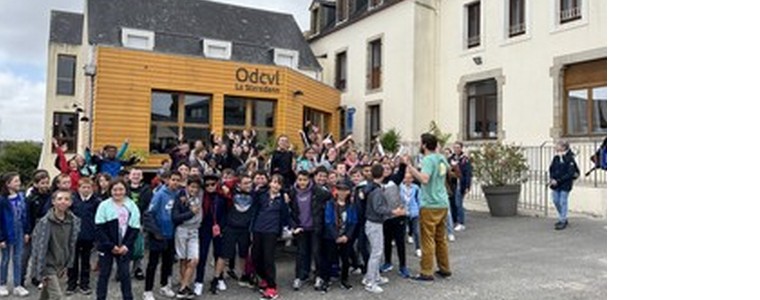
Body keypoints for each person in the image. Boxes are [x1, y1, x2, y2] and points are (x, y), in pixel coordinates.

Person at [405, 133, 453, 282]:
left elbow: (424, 179)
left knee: (427, 239)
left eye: (421, 143)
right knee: (441, 238)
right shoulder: (441, 158)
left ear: (424, 145)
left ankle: (426, 272)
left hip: (430, 204)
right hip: (443, 203)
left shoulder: (427, 159)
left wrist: (411, 168)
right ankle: (444, 268)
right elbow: (447, 171)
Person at [29, 190, 81, 300]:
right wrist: (39, 271)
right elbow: (38, 248)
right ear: (53, 201)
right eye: (59, 199)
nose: (63, 202)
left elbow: (71, 244)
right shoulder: (44, 223)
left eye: (66, 199)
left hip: (60, 263)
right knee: (57, 296)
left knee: (46, 294)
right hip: (47, 265)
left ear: (71, 202)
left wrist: (67, 263)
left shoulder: (73, 221)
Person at [362, 164, 405, 293]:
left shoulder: (372, 187)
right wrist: (394, 212)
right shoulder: (376, 190)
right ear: (382, 174)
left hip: (374, 223)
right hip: (374, 223)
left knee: (377, 251)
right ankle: (370, 281)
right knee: (376, 253)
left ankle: (375, 276)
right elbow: (378, 208)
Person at [94, 179, 141, 300]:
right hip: (107, 246)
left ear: (125, 190)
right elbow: (99, 228)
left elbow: (135, 228)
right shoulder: (104, 205)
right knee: (104, 275)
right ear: (110, 191)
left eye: (121, 189)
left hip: (124, 247)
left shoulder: (131, 205)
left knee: (125, 275)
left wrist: (126, 246)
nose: (118, 192)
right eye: (115, 189)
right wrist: (111, 246)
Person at [249, 174, 292, 299]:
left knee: (268, 258)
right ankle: (265, 278)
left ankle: (272, 287)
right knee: (255, 257)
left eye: (279, 183)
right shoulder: (261, 195)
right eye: (274, 182)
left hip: (271, 231)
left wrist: (292, 227)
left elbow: (286, 216)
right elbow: (253, 201)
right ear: (269, 183)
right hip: (258, 229)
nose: (275, 185)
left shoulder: (282, 199)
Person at [288, 171, 331, 291]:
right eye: (300, 179)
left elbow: (330, 196)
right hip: (300, 227)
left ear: (309, 180)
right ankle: (301, 276)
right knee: (301, 253)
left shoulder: (317, 191)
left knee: (316, 252)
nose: (302, 182)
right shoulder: (292, 192)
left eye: (305, 180)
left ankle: (318, 276)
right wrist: (294, 225)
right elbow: (290, 211)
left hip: (315, 227)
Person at [144, 172, 182, 300]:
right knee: (153, 263)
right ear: (168, 180)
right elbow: (149, 214)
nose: (175, 182)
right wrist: (156, 232)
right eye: (173, 179)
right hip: (158, 234)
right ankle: (147, 290)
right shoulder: (159, 194)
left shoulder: (178, 195)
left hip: (171, 234)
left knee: (168, 262)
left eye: (178, 180)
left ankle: (164, 285)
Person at [319, 179, 357, 293]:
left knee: (345, 259)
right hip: (331, 237)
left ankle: (344, 280)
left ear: (348, 192)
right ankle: (326, 280)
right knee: (329, 259)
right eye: (339, 189)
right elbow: (328, 221)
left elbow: (353, 222)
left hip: (345, 237)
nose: (342, 192)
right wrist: (336, 236)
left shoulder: (351, 206)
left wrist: (347, 236)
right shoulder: (330, 204)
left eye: (344, 190)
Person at [66, 178, 101, 295]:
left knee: (86, 261)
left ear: (92, 188)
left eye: (88, 187)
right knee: (72, 261)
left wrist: (96, 235)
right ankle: (71, 284)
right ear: (78, 188)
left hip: (89, 236)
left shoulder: (96, 201)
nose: (86, 190)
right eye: (83, 187)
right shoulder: (72, 200)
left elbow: (98, 219)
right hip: (73, 236)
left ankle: (84, 284)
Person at [194, 175, 226, 296]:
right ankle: (199, 281)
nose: (210, 187)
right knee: (202, 255)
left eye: (212, 184)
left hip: (218, 228)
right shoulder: (201, 197)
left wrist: (221, 226)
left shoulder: (221, 197)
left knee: (219, 254)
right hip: (204, 228)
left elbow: (225, 213)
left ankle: (219, 278)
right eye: (207, 185)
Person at [0, 172, 31, 297]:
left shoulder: (22, 197)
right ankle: (2, 284)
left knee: (18, 257)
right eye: (16, 181)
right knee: (6, 258)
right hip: (6, 231)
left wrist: (27, 231)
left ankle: (18, 285)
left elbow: (25, 215)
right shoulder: (2, 200)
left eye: (19, 181)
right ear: (8, 184)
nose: (19, 183)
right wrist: (0, 238)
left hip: (20, 230)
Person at [172, 176, 203, 298]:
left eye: (196, 187)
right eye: (192, 187)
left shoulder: (200, 196)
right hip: (182, 230)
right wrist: (191, 213)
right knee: (183, 259)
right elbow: (175, 217)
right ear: (187, 186)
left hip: (195, 230)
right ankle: (185, 286)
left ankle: (183, 287)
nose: (194, 190)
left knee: (194, 259)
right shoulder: (180, 197)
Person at [549, 140, 580, 231]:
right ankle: (563, 216)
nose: (555, 147)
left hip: (565, 184)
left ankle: (562, 220)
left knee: (563, 201)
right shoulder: (556, 158)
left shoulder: (569, 158)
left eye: (557, 145)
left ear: (563, 147)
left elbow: (570, 173)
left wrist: (558, 180)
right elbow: (551, 169)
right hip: (555, 184)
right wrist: (552, 178)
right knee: (555, 200)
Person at [450, 142, 472, 232]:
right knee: (453, 203)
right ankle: (455, 220)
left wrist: (467, 186)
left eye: (458, 147)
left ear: (461, 148)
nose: (456, 149)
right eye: (455, 147)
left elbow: (468, 173)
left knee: (458, 203)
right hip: (453, 184)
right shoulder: (451, 158)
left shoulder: (465, 159)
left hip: (461, 184)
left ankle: (461, 222)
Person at [400, 171, 422, 258]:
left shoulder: (416, 188)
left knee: (416, 231)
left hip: (414, 211)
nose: (408, 180)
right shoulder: (400, 187)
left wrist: (419, 209)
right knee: (402, 231)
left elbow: (419, 200)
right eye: (406, 178)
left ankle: (418, 248)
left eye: (410, 178)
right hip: (404, 211)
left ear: (412, 179)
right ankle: (402, 248)